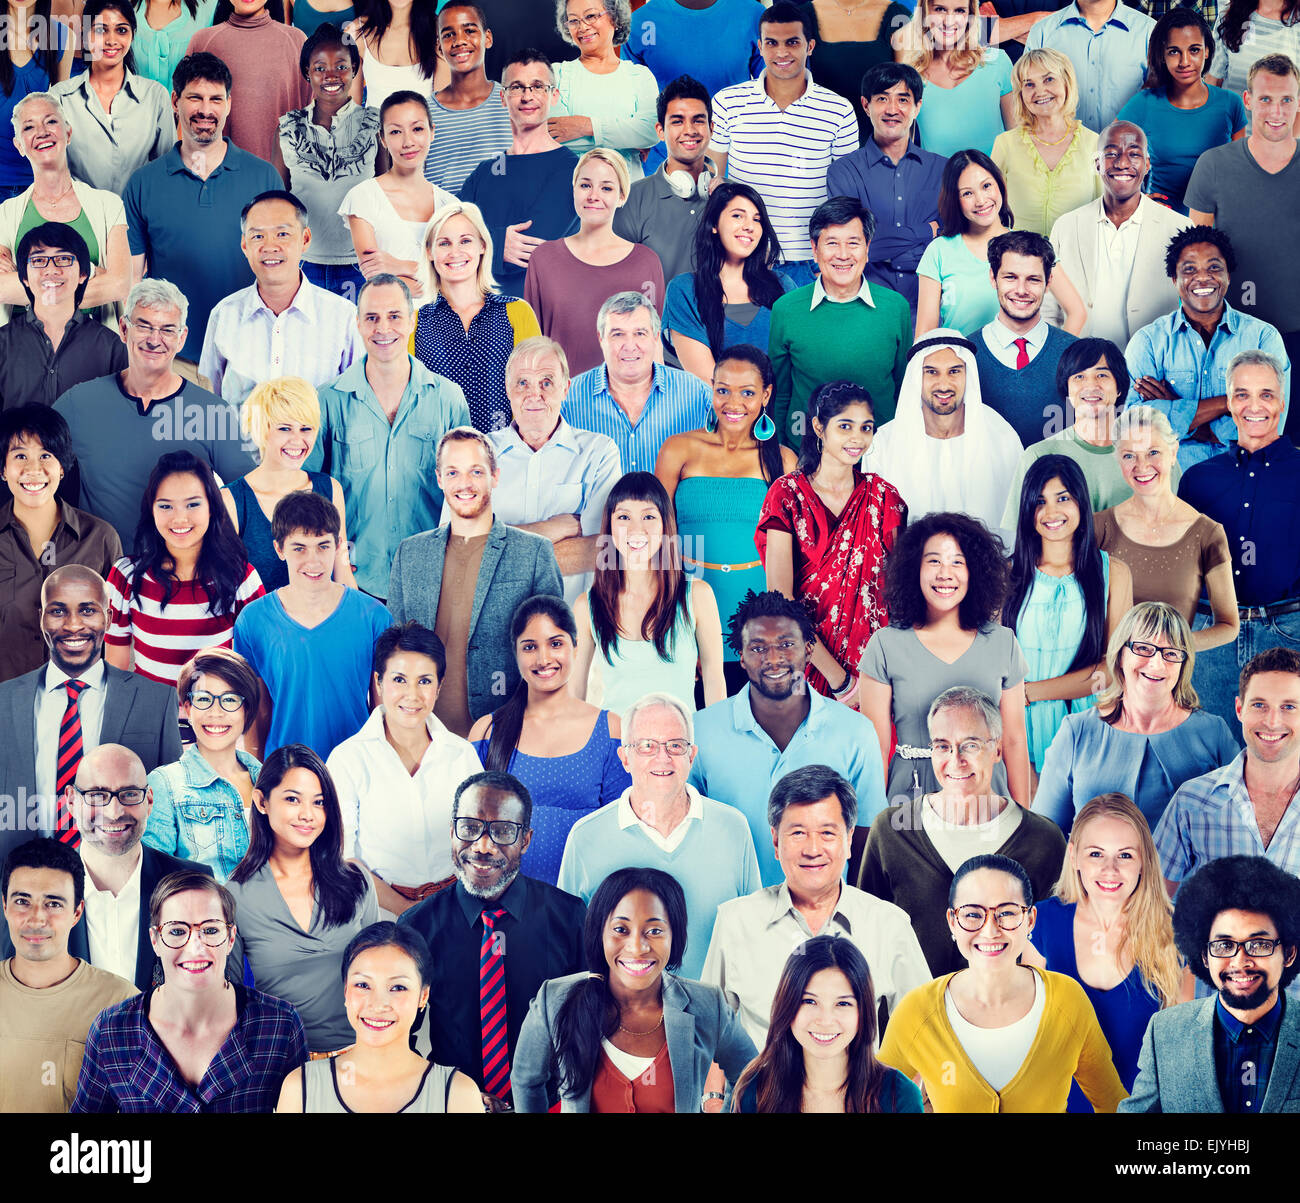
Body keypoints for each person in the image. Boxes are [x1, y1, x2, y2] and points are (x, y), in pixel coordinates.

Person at [879, 853, 1127, 1110]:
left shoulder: (1067, 1000)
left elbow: (1113, 1103)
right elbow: (873, 1102)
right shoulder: (917, 1011)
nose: (990, 930)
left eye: (1006, 912)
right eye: (973, 914)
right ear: (952, 922)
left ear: (1030, 919)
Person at [397, 770, 587, 1104]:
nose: (483, 846)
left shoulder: (570, 918)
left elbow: (591, 1027)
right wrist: (447, 1093)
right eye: (469, 828)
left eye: (502, 832)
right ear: (452, 831)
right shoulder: (416, 927)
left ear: (525, 840)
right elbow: (398, 1038)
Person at [704, 764, 928, 1046]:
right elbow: (708, 1031)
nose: (812, 849)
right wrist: (714, 1093)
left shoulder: (889, 924)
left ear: (848, 840)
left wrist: (896, 1090)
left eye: (827, 833)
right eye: (798, 833)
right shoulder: (735, 921)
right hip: (758, 1090)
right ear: (775, 841)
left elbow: (921, 1032)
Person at [513, 865, 757, 1112]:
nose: (638, 947)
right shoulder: (554, 999)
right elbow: (527, 1080)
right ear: (600, 933)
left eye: (654, 931)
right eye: (621, 930)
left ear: (675, 936)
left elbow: (752, 1076)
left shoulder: (707, 1004)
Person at [858, 687, 1066, 973]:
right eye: (942, 746)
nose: (955, 760)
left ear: (997, 750)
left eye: (970, 745)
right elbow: (866, 940)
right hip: (910, 1014)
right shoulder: (891, 832)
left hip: (1010, 1013)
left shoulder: (1043, 840)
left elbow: (1058, 949)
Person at [557, 694, 760, 980]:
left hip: (713, 1018)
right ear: (625, 758)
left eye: (675, 745)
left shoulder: (733, 828)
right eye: (646, 746)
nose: (662, 758)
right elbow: (571, 950)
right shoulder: (585, 837)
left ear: (691, 755)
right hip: (615, 1019)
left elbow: (752, 937)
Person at [72, 869, 308, 1112]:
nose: (196, 948)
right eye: (177, 931)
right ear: (155, 940)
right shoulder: (111, 1029)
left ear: (230, 938)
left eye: (210, 930)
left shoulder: (280, 1022)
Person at [690, 595, 888, 884]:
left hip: (826, 919)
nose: (773, 659)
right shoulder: (700, 730)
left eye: (786, 644)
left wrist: (854, 915)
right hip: (731, 915)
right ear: (741, 657)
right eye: (758, 647)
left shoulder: (855, 732)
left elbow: (866, 836)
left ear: (808, 650)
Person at [53, 279, 257, 548]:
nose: (154, 339)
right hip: (102, 571)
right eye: (144, 325)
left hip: (183, 575)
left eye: (167, 329)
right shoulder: (77, 403)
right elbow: (33, 468)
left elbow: (249, 497)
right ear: (124, 329)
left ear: (181, 338)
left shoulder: (213, 412)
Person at [388, 427, 563, 735]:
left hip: (505, 732)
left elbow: (552, 652)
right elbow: (394, 651)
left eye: (476, 471)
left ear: (495, 476)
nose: (464, 484)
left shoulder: (534, 552)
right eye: (453, 472)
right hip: (424, 735)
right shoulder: (410, 553)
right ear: (440, 479)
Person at [0, 571, 181, 869]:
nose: (73, 625)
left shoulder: (156, 701)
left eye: (88, 610)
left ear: (108, 618)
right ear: (41, 618)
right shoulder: (5, 702)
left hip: (124, 883)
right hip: (22, 889)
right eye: (58, 611)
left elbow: (170, 808)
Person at [2, 743, 213, 990]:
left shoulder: (194, 882)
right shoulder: (24, 893)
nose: (113, 812)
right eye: (96, 795)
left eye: (130, 794)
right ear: (71, 801)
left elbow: (216, 987)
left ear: (150, 800)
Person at [309, 275, 470, 600]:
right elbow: (310, 494)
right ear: (358, 323)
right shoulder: (327, 400)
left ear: (411, 321)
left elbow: (468, 493)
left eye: (394, 316)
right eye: (372, 318)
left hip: (432, 584)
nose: (383, 329)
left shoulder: (448, 398)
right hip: (353, 587)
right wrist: (335, 563)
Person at [122, 53, 284, 368]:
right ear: (174, 101)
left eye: (215, 99)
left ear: (229, 104)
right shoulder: (143, 183)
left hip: (250, 356)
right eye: (195, 98)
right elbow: (131, 280)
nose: (206, 110)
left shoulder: (264, 178)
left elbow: (281, 271)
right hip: (171, 358)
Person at [1022, 792, 1181, 1110]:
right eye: (1096, 854)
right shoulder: (1041, 923)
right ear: (1074, 857)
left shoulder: (1174, 933)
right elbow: (1028, 1043)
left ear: (1143, 863)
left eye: (1125, 856)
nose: (1110, 869)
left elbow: (1182, 1056)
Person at [863, 514, 1032, 807]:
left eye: (957, 561)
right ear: (913, 569)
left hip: (986, 794)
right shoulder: (884, 645)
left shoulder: (1004, 643)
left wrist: (1025, 819)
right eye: (934, 561)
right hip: (912, 795)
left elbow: (1015, 740)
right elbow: (875, 747)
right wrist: (872, 829)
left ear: (975, 571)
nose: (945, 573)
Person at [1034, 601, 1240, 833]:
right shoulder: (1076, 730)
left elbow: (1237, 828)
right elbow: (1046, 836)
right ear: (1120, 654)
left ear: (1183, 665)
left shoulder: (1214, 732)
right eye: (1143, 648)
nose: (1156, 663)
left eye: (1171, 653)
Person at [656, 346, 795, 689]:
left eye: (747, 392)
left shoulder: (784, 461)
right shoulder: (678, 449)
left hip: (761, 619)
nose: (733, 403)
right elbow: (658, 543)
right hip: (689, 611)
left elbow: (792, 558)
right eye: (723, 390)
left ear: (765, 395)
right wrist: (677, 623)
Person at [225, 744, 378, 1054]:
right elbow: (228, 1000)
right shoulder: (234, 895)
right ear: (262, 802)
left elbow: (379, 976)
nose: (308, 815)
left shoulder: (356, 881)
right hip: (279, 1062)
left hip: (362, 1056)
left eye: (319, 802)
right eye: (293, 799)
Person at [758, 381, 903, 703]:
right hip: (808, 666)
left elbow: (900, 591)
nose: (857, 438)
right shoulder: (787, 494)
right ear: (818, 427)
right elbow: (780, 598)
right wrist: (841, 682)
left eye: (866, 428)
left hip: (875, 670)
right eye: (845, 426)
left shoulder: (883, 497)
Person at [1121, 855, 1300, 1112]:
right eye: (1224, 945)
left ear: (1289, 954)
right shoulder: (1164, 1032)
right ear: (1204, 956)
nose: (1240, 961)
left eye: (1259, 944)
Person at [470, 599, 629, 887]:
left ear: (576, 647)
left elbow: (622, 832)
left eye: (555, 643)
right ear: (516, 654)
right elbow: (469, 836)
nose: (544, 659)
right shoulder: (487, 732)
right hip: (501, 905)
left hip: (584, 904)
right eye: (530, 647)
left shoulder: (611, 729)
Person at [325, 621, 481, 916]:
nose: (412, 694)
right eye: (399, 679)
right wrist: (409, 910)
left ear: (439, 686)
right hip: (379, 912)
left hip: (456, 908)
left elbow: (477, 841)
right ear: (378, 682)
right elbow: (343, 858)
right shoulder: (347, 760)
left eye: (424, 681)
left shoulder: (462, 756)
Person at [1180, 351, 1300, 726]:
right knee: (1211, 750)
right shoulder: (1197, 479)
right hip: (1211, 635)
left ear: (1281, 402)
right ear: (1229, 403)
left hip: (1288, 632)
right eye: (1242, 394)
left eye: (1266, 394)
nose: (1254, 406)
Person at [233, 491, 392, 760]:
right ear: (279, 549)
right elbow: (257, 711)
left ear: (338, 545)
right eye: (299, 548)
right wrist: (257, 775)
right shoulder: (253, 621)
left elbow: (383, 709)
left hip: (357, 768)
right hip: (284, 770)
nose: (313, 561)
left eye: (322, 546)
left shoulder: (374, 617)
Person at [709, 2, 858, 283]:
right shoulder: (727, 102)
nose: (781, 52)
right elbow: (713, 180)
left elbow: (845, 199)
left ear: (810, 46)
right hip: (745, 258)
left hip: (810, 263)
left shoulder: (839, 111)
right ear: (760, 46)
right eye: (772, 43)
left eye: (792, 42)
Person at [1187, 53, 1300, 414]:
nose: (1276, 112)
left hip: (1298, 336)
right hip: (1231, 334)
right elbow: (1197, 259)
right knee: (1231, 440)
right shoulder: (1213, 165)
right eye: (1266, 99)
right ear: (1248, 100)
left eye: (1286, 100)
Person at [1124, 227, 1290, 471]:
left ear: (1228, 276)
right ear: (1174, 280)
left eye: (1214, 268)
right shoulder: (1148, 342)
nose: (1203, 278)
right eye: (1189, 269)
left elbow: (1269, 428)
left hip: (1246, 477)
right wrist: (1232, 401)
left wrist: (1175, 411)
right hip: (1172, 485)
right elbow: (1135, 428)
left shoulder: (1263, 338)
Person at [1005, 454, 1132, 769]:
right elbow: (991, 663)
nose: (1051, 512)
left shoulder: (1114, 572)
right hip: (1017, 731)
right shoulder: (1006, 573)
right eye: (1039, 501)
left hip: (1089, 728)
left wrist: (1029, 692)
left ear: (1081, 502)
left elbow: (1112, 669)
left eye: (1063, 498)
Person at [276, 922, 485, 1112]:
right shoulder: (301, 1087)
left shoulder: (459, 1094)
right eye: (363, 985)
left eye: (398, 987)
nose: (377, 1005)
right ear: (346, 991)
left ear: (423, 996)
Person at [474, 336, 620, 604]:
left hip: (571, 630)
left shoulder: (598, 453)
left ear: (566, 388)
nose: (534, 395)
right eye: (522, 383)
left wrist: (496, 549)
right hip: (493, 630)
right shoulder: (477, 454)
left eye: (547, 382)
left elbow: (602, 549)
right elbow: (461, 551)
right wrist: (557, 527)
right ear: (507, 389)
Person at [104, 451, 265, 688]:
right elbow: (115, 676)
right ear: (152, 510)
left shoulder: (242, 579)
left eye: (192, 504)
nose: (180, 518)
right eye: (166, 506)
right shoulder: (125, 577)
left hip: (220, 720)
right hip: (150, 721)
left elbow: (257, 677)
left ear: (212, 507)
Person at [0, 837, 137, 1113]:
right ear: (4, 906)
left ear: (77, 913)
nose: (37, 919)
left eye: (53, 904)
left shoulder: (122, 1003)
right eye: (22, 901)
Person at [573, 472, 725, 715]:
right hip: (616, 749)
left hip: (680, 748)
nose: (637, 529)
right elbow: (575, 697)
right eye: (623, 516)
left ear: (666, 524)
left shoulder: (697, 595)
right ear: (609, 526)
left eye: (649, 516)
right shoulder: (587, 606)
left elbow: (715, 684)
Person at [1156, 648, 1300, 897]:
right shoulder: (1191, 800)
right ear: (1239, 709)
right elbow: (1152, 906)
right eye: (1259, 705)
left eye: (1289, 707)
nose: (1272, 721)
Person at [199, 190, 363, 407]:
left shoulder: (343, 316)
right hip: (241, 441)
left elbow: (356, 403)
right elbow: (210, 402)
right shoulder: (224, 315)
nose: (269, 246)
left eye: (282, 234)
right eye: (257, 236)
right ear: (244, 245)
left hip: (315, 442)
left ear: (305, 239)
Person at [1094, 405, 1238, 650]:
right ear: (1118, 460)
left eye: (1153, 452)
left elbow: (1228, 625)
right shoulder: (1098, 527)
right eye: (1129, 455)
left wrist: (1169, 645)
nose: (1142, 465)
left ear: (1174, 453)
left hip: (1171, 680)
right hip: (1108, 684)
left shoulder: (1208, 534)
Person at [769, 196, 912, 442]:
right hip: (807, 455)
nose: (843, 255)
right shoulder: (786, 310)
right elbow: (780, 394)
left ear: (867, 249)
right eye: (832, 243)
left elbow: (904, 389)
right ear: (814, 250)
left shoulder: (895, 307)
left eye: (853, 243)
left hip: (878, 454)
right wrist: (784, 453)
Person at [732, 935, 924, 1113]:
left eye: (842, 1003)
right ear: (787, 1004)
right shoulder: (755, 1091)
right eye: (809, 1001)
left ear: (863, 1012)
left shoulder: (899, 1096)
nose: (825, 1021)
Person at [869, 331, 1024, 547]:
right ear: (916, 377)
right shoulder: (883, 445)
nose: (944, 384)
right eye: (931, 372)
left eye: (954, 371)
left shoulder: (1002, 437)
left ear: (967, 375)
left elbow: (1017, 527)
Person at [0, 406, 121, 683]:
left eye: (46, 455)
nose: (34, 469)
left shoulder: (101, 538)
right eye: (20, 456)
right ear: (3, 470)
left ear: (63, 467)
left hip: (80, 711)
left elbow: (118, 637)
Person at [1044, 120, 1191, 347]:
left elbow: (1194, 309)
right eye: (1111, 153)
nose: (1123, 163)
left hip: (1149, 369)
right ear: (1097, 163)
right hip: (1080, 366)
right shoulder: (1066, 226)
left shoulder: (1179, 229)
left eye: (1134, 154)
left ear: (1147, 164)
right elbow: (1049, 308)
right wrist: (1056, 360)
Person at [524, 147, 664, 377]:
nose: (593, 196)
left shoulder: (646, 262)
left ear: (622, 196)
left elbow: (653, 346)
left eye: (606, 188)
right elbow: (534, 344)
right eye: (585, 185)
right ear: (574, 190)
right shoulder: (544, 259)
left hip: (628, 405)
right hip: (563, 404)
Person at [824, 61, 947, 318]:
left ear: (917, 107)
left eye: (903, 100)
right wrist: (926, 231)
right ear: (866, 105)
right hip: (866, 309)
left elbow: (950, 245)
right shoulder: (843, 172)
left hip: (932, 307)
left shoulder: (943, 170)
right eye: (882, 98)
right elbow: (857, 247)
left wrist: (884, 242)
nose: (893, 109)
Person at [917, 150, 1084, 337]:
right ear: (955, 200)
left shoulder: (1032, 247)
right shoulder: (939, 251)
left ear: (1000, 184)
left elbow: (1077, 312)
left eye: (986, 186)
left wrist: (1054, 363)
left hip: (1020, 364)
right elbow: (925, 334)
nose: (981, 200)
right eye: (967, 193)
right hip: (961, 363)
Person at [0, 92, 130, 330]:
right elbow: (1, 288)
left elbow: (120, 284)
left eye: (50, 121)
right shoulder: (5, 214)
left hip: (93, 349)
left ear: (68, 133)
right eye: (29, 127)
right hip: (23, 352)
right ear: (19, 146)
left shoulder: (109, 205)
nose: (42, 131)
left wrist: (30, 280)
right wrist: (92, 272)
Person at [412, 200, 540, 434]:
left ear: (482, 245)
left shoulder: (517, 312)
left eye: (465, 241)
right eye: (444, 243)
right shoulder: (415, 322)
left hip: (505, 457)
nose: (455, 252)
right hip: (438, 459)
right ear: (430, 252)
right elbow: (407, 402)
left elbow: (536, 391)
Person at [458, 49, 580, 293]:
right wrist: (499, 243)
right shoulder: (484, 172)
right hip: (478, 312)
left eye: (537, 86)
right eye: (516, 87)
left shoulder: (572, 170)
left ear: (553, 95)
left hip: (538, 314)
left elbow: (532, 248)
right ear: (503, 97)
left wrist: (480, 243)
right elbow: (451, 240)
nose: (527, 96)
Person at [221, 376, 356, 593]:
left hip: (323, 623)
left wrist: (360, 620)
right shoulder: (231, 501)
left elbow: (342, 571)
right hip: (259, 625)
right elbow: (226, 589)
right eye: (284, 429)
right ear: (261, 429)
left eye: (306, 429)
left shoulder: (330, 489)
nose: (297, 440)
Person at [278, 23, 378, 300]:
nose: (331, 75)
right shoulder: (287, 128)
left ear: (356, 69)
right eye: (320, 68)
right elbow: (278, 202)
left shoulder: (375, 124)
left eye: (341, 66)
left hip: (361, 267)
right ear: (306, 73)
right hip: (303, 266)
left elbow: (388, 196)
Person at [143, 648, 262, 881]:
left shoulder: (269, 779)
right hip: (205, 916)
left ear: (246, 710)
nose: (216, 713)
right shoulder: (164, 784)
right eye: (203, 699)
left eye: (229, 700)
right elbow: (155, 880)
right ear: (187, 709)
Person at [561, 291, 711, 474]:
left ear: (655, 338)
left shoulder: (697, 394)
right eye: (617, 334)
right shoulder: (567, 400)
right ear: (601, 339)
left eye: (640, 333)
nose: (630, 346)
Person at [1000, 337, 1139, 530]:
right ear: (1067, 389)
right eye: (1079, 377)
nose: (1091, 385)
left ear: (1119, 388)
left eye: (1102, 375)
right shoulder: (1038, 456)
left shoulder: (1149, 455)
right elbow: (1016, 536)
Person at [1116, 10, 1245, 214]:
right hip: (1160, 221)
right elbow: (1109, 152)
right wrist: (1135, 199)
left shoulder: (1231, 103)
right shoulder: (1144, 103)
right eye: (1174, 51)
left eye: (1194, 50)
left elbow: (1241, 172)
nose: (1185, 61)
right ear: (1163, 55)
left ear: (1207, 51)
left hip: (1217, 223)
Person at [338, 90, 456, 303]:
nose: (408, 142)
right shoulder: (362, 197)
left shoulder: (450, 205)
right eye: (395, 132)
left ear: (432, 131)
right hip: (389, 324)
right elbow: (376, 278)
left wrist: (399, 266)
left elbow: (459, 275)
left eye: (417, 129)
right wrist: (436, 275)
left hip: (446, 325)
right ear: (382, 138)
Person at [49, 0, 172, 195]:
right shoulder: (59, 98)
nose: (111, 40)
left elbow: (166, 173)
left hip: (138, 220)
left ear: (132, 34)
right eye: (100, 30)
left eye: (121, 30)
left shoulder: (156, 96)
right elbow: (53, 173)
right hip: (78, 220)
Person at [0, 223, 128, 409]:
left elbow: (121, 419)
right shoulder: (2, 343)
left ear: (83, 274)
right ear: (24, 278)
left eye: (63, 259)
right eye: (38, 260)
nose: (51, 270)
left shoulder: (112, 347)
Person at [970, 229, 1079, 446]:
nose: (1021, 290)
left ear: (1048, 283)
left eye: (1033, 280)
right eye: (1010, 277)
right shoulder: (966, 354)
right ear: (993, 277)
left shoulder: (1076, 353)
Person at [613, 75, 718, 290]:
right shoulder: (632, 200)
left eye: (698, 120)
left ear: (711, 128)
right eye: (678, 121)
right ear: (660, 131)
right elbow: (615, 282)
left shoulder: (733, 198)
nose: (690, 130)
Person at [185, 0, 309, 170]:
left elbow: (310, 120)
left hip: (281, 182)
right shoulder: (203, 41)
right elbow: (186, 121)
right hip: (216, 177)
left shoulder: (297, 41)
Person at [991, 49, 1101, 237]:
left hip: (1077, 260)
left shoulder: (1095, 143)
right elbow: (990, 212)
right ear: (1020, 94)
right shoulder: (1005, 144)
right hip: (1018, 260)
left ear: (1067, 83)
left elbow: (1105, 210)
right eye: (1029, 84)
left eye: (1049, 79)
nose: (1040, 91)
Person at [548, 0, 659, 181]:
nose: (582, 27)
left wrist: (586, 126)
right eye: (574, 20)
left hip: (629, 197)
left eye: (591, 16)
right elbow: (556, 137)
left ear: (614, 18)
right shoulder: (555, 75)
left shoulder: (640, 75)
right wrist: (627, 137)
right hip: (572, 195)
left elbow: (651, 131)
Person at [894, 0, 1014, 159]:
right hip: (937, 182)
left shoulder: (998, 62)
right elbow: (903, 148)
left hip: (996, 181)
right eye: (940, 9)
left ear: (970, 16)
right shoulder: (911, 74)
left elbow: (1017, 142)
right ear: (925, 12)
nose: (949, 21)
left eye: (959, 11)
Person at [1022, 0, 1155, 134]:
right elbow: (1025, 101)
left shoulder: (1148, 31)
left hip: (1126, 150)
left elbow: (1160, 105)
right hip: (1057, 150)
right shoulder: (1042, 32)